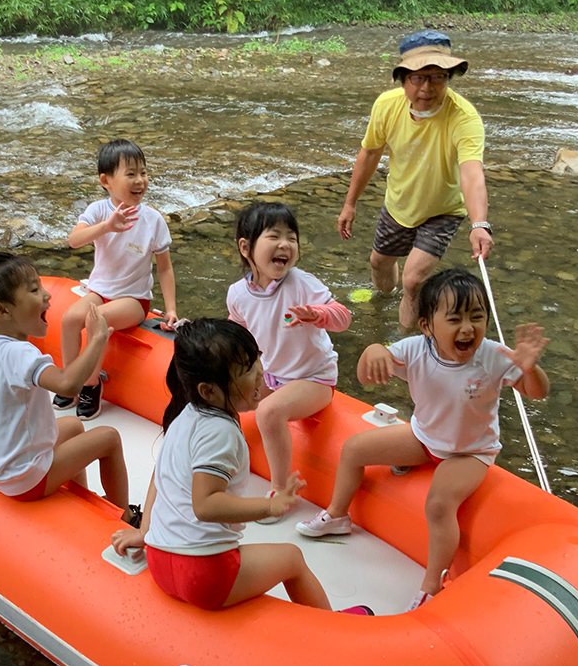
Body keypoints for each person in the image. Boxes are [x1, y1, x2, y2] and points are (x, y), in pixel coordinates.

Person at [296, 268, 549, 612]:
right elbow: (366, 376)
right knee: (354, 448)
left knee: (438, 504)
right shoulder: (416, 350)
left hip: (471, 452)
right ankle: (338, 516)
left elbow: (536, 393)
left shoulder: (493, 356)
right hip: (423, 436)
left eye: (477, 317)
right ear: (427, 326)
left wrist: (530, 369)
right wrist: (373, 350)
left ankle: (433, 584)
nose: (467, 328)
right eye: (455, 319)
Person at [111, 319, 372, 614]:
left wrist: (146, 533)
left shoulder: (183, 415)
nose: (260, 371)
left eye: (256, 359)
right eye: (246, 370)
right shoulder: (219, 431)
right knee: (292, 558)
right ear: (209, 391)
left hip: (161, 562)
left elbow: (161, 478)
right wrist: (268, 507)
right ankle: (332, 630)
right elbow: (206, 505)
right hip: (203, 575)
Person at [0, 252, 138, 522]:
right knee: (109, 438)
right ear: (2, 310)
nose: (47, 296)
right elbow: (68, 385)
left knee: (73, 427)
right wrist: (97, 339)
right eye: (35, 290)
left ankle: (80, 497)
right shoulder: (21, 354)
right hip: (24, 478)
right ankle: (124, 516)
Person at [336, 31, 495, 328]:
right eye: (417, 78)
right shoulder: (386, 106)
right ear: (403, 79)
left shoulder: (464, 117)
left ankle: (403, 344)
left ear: (448, 77)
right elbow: (370, 153)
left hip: (443, 210)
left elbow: (472, 173)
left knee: (412, 281)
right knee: (379, 264)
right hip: (399, 203)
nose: (426, 88)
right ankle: (383, 305)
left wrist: (479, 224)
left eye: (437, 77)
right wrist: (349, 204)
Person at [226, 202, 351, 524]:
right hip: (271, 377)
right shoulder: (238, 294)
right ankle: (219, 461)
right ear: (246, 247)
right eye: (274, 236)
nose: (285, 244)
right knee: (225, 397)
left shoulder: (301, 283)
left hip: (314, 378)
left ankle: (281, 491)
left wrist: (318, 314)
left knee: (269, 412)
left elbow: (343, 318)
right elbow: (238, 330)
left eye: (291, 238)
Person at [54, 138, 177, 421]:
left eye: (143, 173)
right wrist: (107, 226)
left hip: (134, 299)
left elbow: (165, 269)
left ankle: (90, 385)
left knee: (97, 320)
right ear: (106, 180)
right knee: (70, 318)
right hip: (99, 290)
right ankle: (68, 380)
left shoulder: (153, 220)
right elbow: (74, 240)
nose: (140, 181)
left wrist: (170, 309)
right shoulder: (99, 211)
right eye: (131, 174)